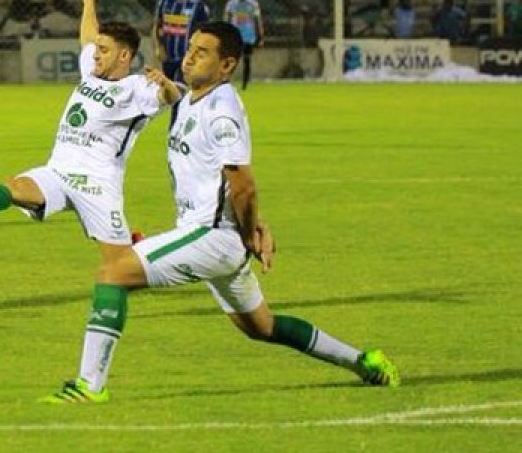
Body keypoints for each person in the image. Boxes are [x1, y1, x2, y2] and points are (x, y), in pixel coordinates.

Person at [39, 22, 400, 404]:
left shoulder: (222, 110)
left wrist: (247, 233)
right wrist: (258, 224)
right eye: (191, 48)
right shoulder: (188, 99)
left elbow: (242, 183)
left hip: (214, 236)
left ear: (226, 65)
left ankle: (89, 386)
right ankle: (364, 361)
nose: (190, 56)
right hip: (216, 234)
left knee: (114, 272)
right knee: (262, 326)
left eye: (202, 52)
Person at [0, 0, 181, 318]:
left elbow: (171, 98)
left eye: (104, 50)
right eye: (96, 50)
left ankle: (162, 256)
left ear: (125, 56)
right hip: (58, 172)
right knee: (18, 188)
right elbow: (88, 35)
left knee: (121, 272)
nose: (95, 53)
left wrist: (166, 85)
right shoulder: (91, 72)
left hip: (97, 186)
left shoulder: (137, 87)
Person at [153, 0, 210, 83]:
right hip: (168, 56)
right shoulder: (164, 2)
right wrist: (158, 47)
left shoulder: (197, 5)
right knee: (168, 88)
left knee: (179, 86)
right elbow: (157, 26)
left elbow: (203, 31)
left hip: (186, 56)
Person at [223, 0, 264, 90]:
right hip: (234, 36)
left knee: (246, 60)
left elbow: (258, 20)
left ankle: (245, 84)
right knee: (231, 60)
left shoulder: (253, 4)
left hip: (248, 37)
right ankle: (226, 82)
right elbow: (226, 19)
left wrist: (260, 36)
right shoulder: (231, 4)